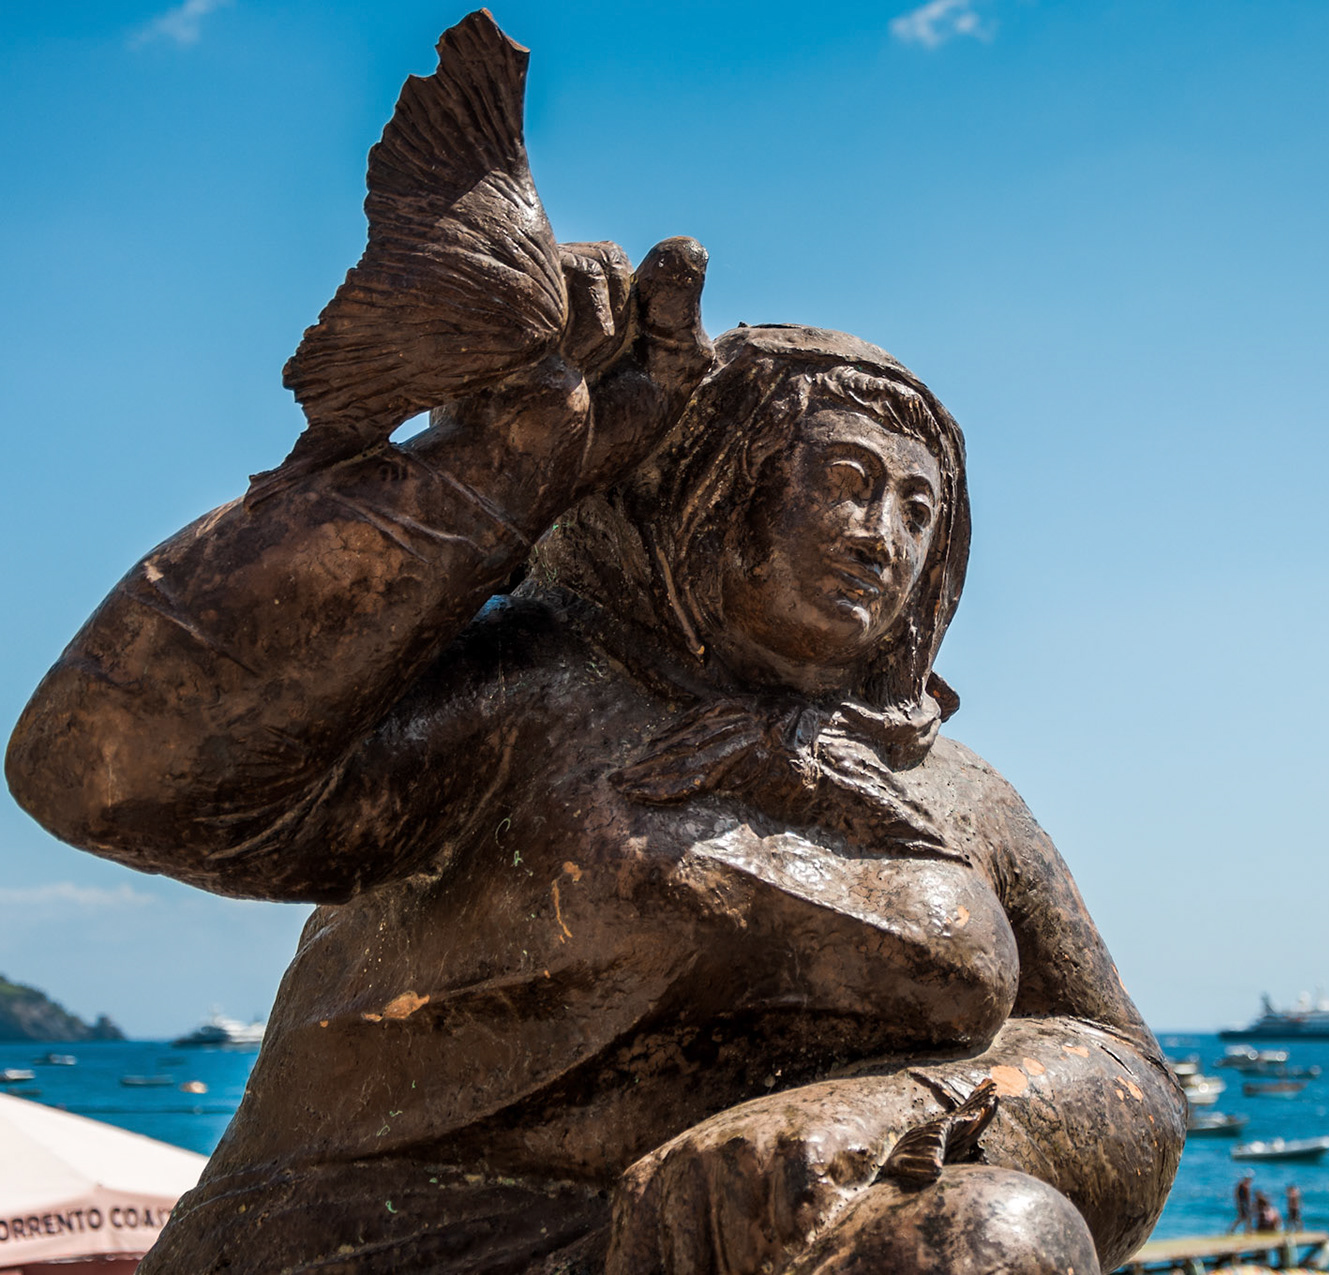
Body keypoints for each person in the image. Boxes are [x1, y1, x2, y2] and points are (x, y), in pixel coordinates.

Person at [3, 20, 1183, 1260]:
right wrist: (494, 470)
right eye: (844, 480)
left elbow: (1132, 1074)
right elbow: (108, 771)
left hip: (717, 1236)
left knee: (997, 1229)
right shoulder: (534, 685)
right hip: (388, 1238)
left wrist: (902, 1108)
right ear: (722, 485)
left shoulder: (959, 797)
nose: (883, 535)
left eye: (920, 509)